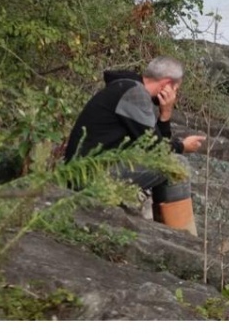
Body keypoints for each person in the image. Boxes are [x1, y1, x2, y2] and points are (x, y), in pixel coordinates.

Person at [64, 55, 206, 236]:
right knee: (177, 165)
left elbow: (152, 145)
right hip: (87, 177)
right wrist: (182, 146)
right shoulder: (134, 94)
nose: (175, 94)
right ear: (167, 84)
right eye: (176, 88)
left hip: (83, 171)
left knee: (171, 162)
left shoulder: (124, 88)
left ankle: (170, 233)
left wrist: (164, 117)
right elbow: (158, 151)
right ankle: (181, 236)